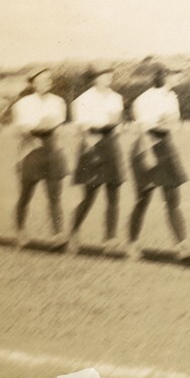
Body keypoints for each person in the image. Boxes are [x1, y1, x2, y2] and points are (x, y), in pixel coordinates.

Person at [127, 68, 190, 260]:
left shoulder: (172, 96)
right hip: (147, 148)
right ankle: (132, 245)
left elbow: (172, 123)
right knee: (143, 200)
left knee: (173, 200)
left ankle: (182, 248)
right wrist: (148, 156)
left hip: (165, 147)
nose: (180, 76)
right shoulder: (145, 99)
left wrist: (163, 123)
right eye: (176, 73)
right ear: (165, 76)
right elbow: (144, 128)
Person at [68, 65, 126, 255]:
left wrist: (117, 127)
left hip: (111, 144)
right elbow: (83, 129)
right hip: (91, 144)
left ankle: (110, 241)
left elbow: (117, 122)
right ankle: (73, 234)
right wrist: (91, 149)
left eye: (109, 76)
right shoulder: (83, 99)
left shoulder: (116, 98)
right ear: (95, 79)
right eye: (103, 76)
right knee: (89, 195)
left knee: (113, 195)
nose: (108, 79)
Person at [11, 68, 68, 247]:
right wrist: (40, 126)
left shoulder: (58, 102)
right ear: (33, 83)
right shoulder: (22, 104)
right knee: (25, 195)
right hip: (30, 151)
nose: (47, 82)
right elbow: (23, 130)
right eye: (42, 80)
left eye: (49, 79)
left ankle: (57, 235)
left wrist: (39, 126)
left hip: (52, 151)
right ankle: (20, 232)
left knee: (54, 196)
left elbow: (55, 126)